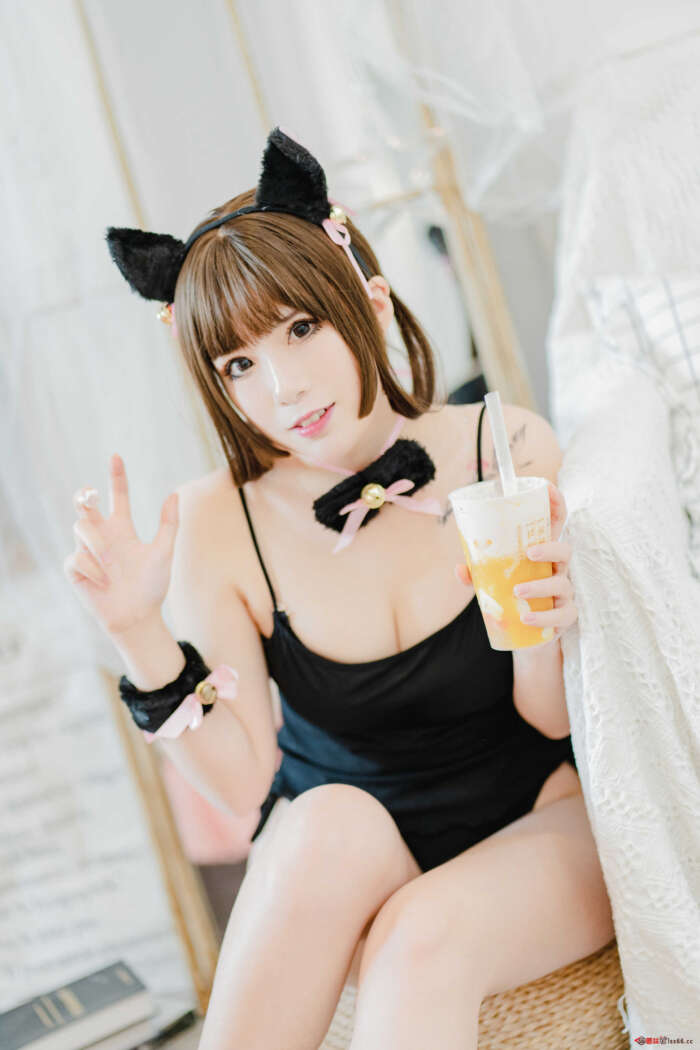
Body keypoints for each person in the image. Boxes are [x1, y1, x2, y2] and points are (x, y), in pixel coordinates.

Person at [64, 130, 614, 1050]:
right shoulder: (219, 522)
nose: (283, 388)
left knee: (419, 937)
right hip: (349, 847)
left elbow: (553, 718)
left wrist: (539, 624)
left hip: (535, 816)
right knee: (321, 818)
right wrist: (138, 633)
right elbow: (245, 782)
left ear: (369, 298)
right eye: (239, 365)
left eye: (300, 328)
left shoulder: (503, 448)